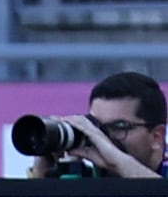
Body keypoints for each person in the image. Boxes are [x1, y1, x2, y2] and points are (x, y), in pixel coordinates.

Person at [25, 71, 168, 180]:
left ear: (156, 136)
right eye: (96, 126)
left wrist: (116, 161)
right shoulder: (83, 179)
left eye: (119, 127)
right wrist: (41, 175)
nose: (102, 138)